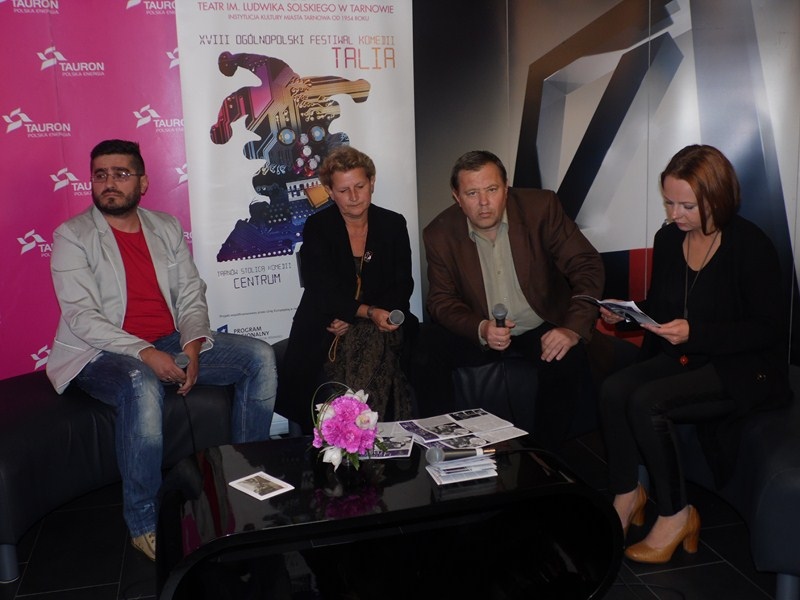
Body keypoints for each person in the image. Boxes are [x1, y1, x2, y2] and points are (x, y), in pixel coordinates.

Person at [46, 139, 278, 561]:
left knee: (259, 357)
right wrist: (145, 353)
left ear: (143, 182)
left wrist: (192, 344)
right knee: (141, 382)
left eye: (121, 174)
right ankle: (143, 522)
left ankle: (245, 483)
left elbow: (190, 293)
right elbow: (83, 317)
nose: (109, 183)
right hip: (97, 353)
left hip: (167, 340)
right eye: (100, 175)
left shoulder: (165, 227)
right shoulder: (72, 236)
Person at [599, 144, 791, 564]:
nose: (674, 215)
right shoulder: (669, 238)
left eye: (687, 206)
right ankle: (627, 494)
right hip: (686, 356)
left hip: (742, 367)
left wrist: (697, 333)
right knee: (614, 389)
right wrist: (628, 315)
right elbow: (663, 307)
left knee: (647, 401)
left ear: (717, 198)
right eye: (669, 203)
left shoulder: (750, 244)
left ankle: (676, 514)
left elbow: (768, 329)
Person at [417, 149, 607, 449]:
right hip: (481, 328)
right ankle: (443, 448)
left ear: (506, 188)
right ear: (457, 197)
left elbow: (586, 264)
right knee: (423, 346)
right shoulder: (439, 233)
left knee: (566, 357)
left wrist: (572, 328)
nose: (484, 202)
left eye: (492, 190)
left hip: (539, 322)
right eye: (472, 193)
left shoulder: (541, 208)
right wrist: (480, 328)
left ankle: (544, 456)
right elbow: (441, 301)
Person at [277, 145, 418, 433]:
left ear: (372, 182)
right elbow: (320, 288)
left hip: (382, 321)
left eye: (360, 186)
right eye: (343, 190)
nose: (354, 196)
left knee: (371, 337)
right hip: (327, 323)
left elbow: (403, 284)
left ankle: (356, 433)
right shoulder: (318, 226)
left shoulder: (392, 224)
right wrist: (361, 312)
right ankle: (360, 433)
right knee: (357, 342)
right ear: (329, 191)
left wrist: (363, 315)